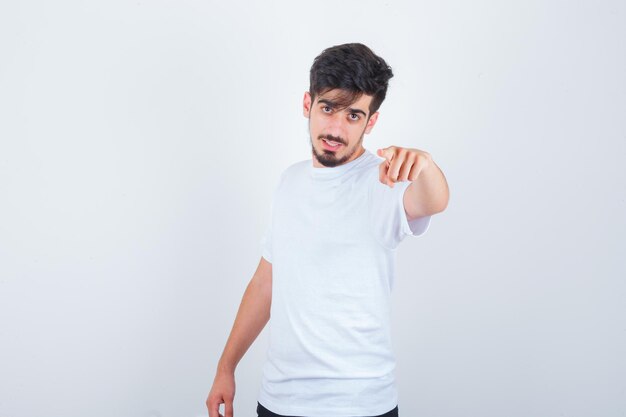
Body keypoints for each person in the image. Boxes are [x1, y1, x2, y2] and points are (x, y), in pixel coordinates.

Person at [206, 42, 449, 417]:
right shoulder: (290, 182)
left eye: (353, 115)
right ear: (308, 104)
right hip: (278, 402)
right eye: (328, 108)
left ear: (371, 122)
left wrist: (427, 166)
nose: (335, 128)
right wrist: (226, 367)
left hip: (359, 406)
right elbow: (265, 283)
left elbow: (433, 201)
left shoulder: (382, 181)